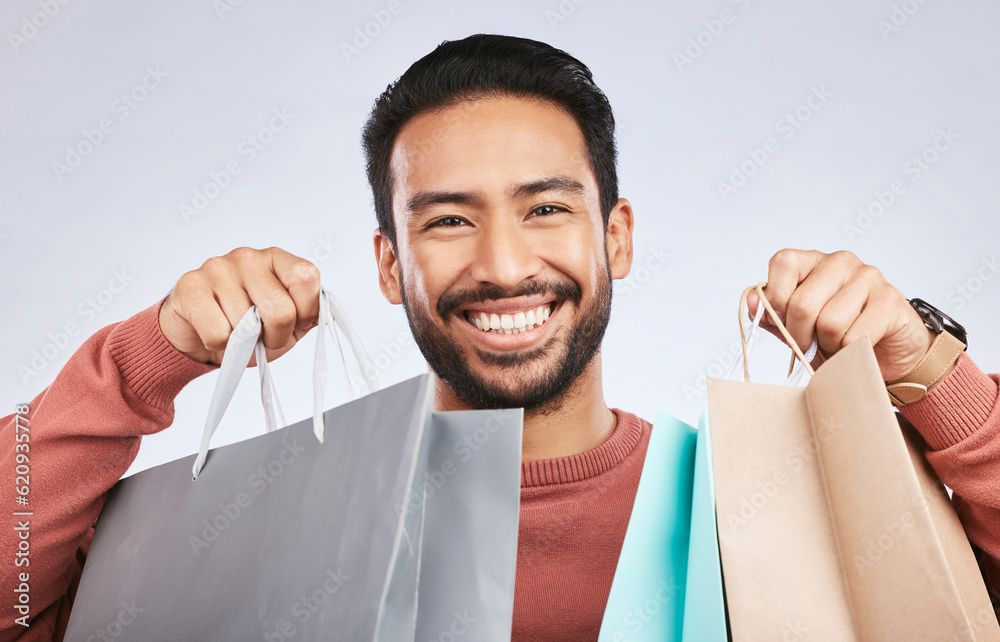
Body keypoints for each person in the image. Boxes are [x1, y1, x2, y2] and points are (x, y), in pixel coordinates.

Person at [3, 34, 998, 641]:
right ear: (390, 267)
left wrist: (929, 375)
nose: (503, 262)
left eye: (545, 209)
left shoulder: (754, 506)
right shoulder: (254, 524)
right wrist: (148, 358)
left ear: (617, 236)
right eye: (445, 219)